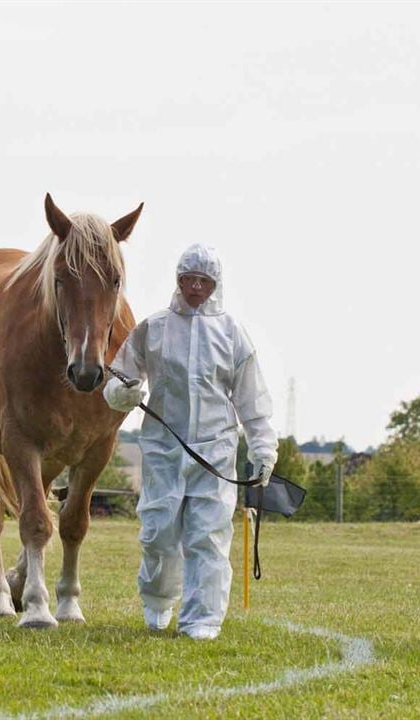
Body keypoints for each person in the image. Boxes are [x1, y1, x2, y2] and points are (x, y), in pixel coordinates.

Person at [103, 244, 278, 640]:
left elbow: (251, 397)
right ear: (178, 280)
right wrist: (122, 393)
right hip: (163, 449)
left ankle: (202, 619)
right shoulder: (154, 328)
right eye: (189, 279)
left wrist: (263, 448)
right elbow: (117, 378)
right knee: (158, 532)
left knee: (208, 535)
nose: (196, 287)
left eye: (204, 281)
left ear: (215, 285)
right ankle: (158, 601)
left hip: (214, 452)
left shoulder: (232, 333)